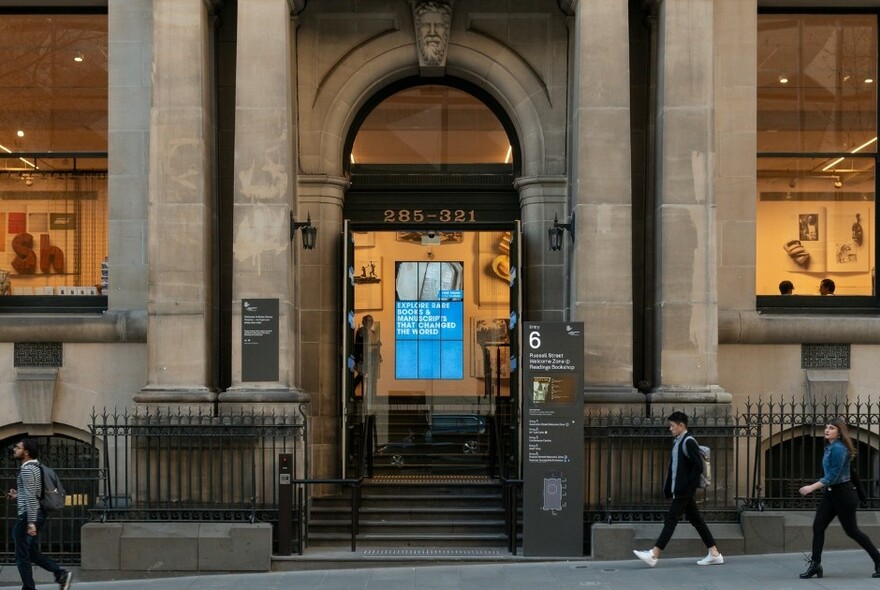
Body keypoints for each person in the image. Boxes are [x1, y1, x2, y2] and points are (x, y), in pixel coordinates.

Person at [634, 412, 723, 567]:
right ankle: (714, 553)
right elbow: (675, 469)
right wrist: (671, 488)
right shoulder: (678, 442)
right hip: (682, 490)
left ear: (682, 425)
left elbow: (698, 466)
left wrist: (687, 486)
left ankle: (654, 554)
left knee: (671, 520)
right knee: (697, 521)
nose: (670, 429)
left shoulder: (688, 442)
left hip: (684, 491)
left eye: (672, 426)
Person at [797, 418, 880, 579]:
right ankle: (815, 565)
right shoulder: (830, 447)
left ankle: (878, 560)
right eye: (827, 427)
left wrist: (811, 487)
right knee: (818, 526)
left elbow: (833, 476)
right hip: (831, 494)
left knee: (852, 531)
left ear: (839, 432)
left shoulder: (839, 449)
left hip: (844, 495)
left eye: (832, 428)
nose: (827, 430)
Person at [7, 439, 72, 590]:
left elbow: (31, 496)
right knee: (31, 552)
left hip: (28, 516)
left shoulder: (27, 469)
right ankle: (61, 574)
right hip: (38, 513)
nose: (14, 450)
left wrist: (30, 522)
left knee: (21, 555)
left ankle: (29, 588)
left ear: (26, 452)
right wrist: (18, 494)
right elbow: (34, 493)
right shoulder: (38, 467)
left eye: (17, 447)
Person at [352, 315, 381, 396]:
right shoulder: (361, 331)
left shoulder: (373, 332)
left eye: (371, 321)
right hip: (364, 356)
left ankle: (369, 394)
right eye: (368, 320)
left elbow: (374, 345)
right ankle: (352, 389)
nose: (370, 322)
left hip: (371, 356)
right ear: (364, 322)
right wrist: (358, 359)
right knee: (361, 374)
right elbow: (358, 345)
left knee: (371, 376)